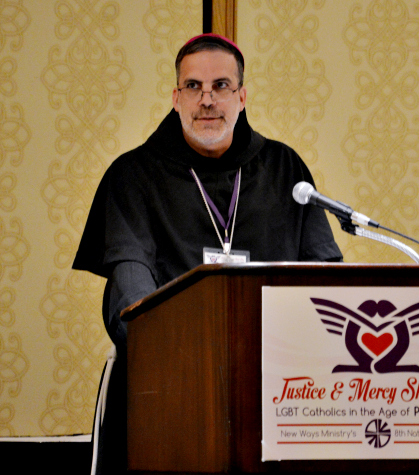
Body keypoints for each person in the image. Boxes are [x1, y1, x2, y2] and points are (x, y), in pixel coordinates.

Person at [73, 33, 342, 473]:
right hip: (165, 388)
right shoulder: (133, 176)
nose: (207, 99)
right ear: (176, 97)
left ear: (242, 96)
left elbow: (323, 276)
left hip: (273, 389)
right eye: (194, 86)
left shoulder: (283, 170)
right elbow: (129, 284)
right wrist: (179, 355)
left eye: (221, 86)